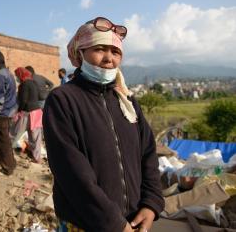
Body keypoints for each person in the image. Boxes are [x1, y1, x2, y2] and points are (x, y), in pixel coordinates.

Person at [43, 17, 164, 232]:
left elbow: (148, 154)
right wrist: (114, 223)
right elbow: (71, 170)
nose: (109, 58)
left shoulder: (127, 100)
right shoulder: (63, 99)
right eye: (99, 49)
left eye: (115, 52)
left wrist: (151, 203)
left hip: (134, 222)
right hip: (87, 224)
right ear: (80, 54)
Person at [12, 67, 43, 163]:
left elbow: (23, 100)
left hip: (26, 112)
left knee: (14, 133)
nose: (17, 78)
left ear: (20, 75)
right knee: (36, 136)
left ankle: (7, 153)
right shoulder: (34, 83)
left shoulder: (23, 85)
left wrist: (19, 111)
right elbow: (40, 96)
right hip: (37, 112)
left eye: (17, 75)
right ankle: (37, 158)